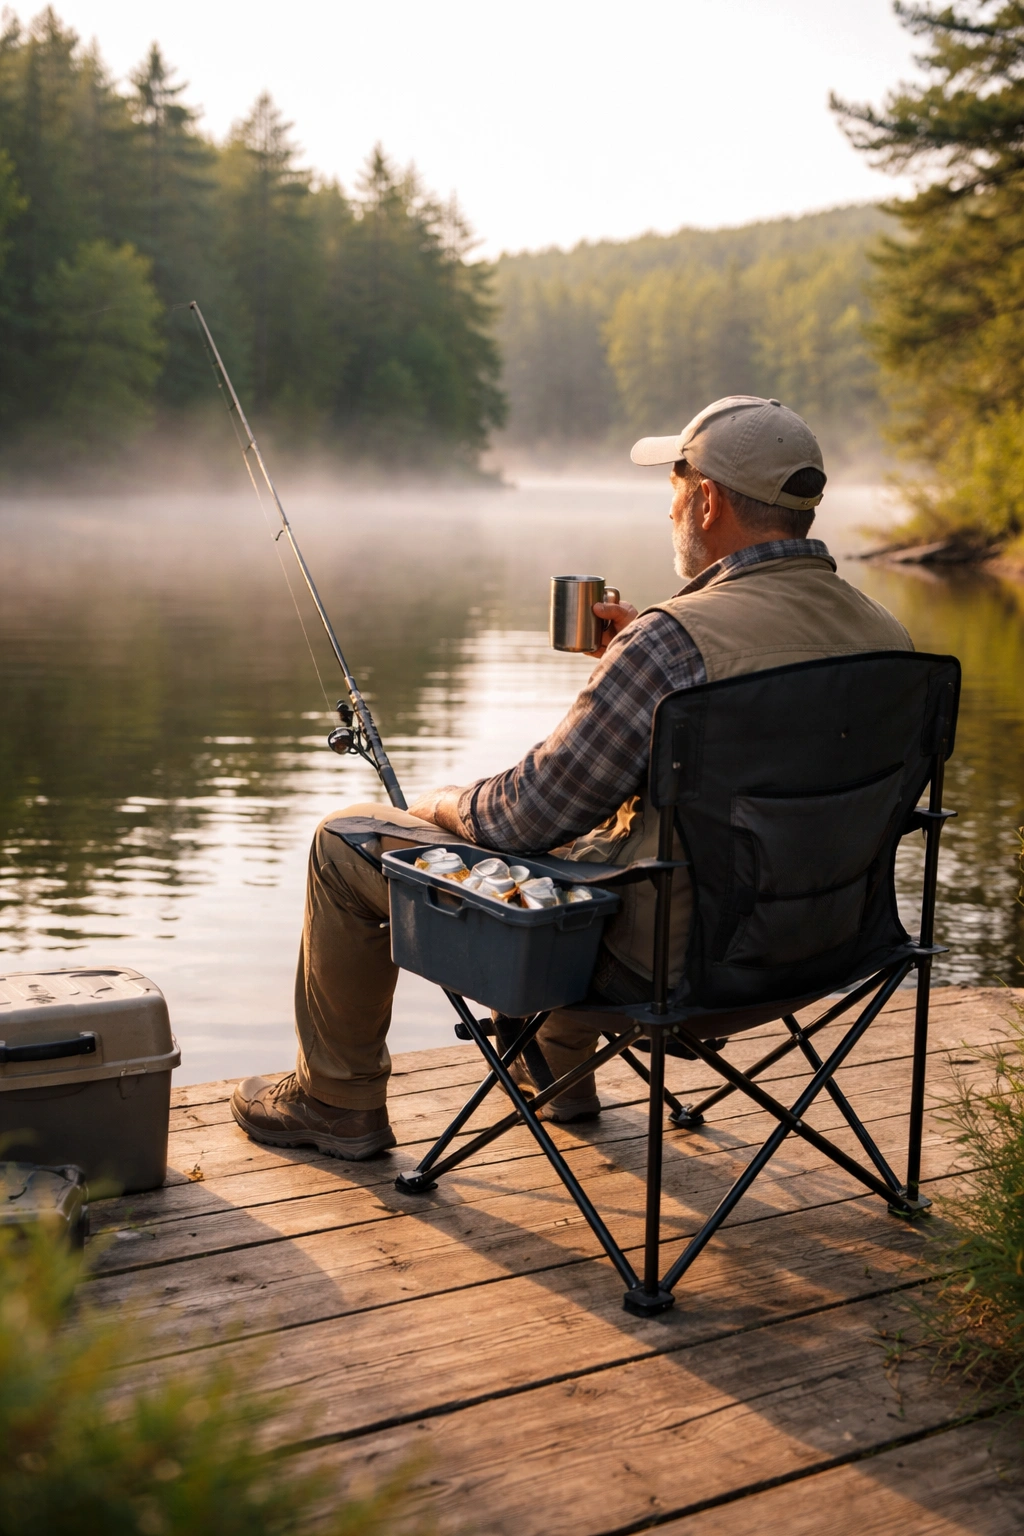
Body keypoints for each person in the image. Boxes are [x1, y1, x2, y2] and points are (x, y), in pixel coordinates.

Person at [231, 395, 912, 1159]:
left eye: (676, 486)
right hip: (827, 952)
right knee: (609, 846)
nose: (670, 510)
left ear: (708, 500)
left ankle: (337, 1102)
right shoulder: (889, 638)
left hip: (665, 970)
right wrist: (643, 682)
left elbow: (522, 819)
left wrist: (436, 804)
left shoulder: (671, 647)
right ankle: (556, 1075)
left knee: (345, 841)